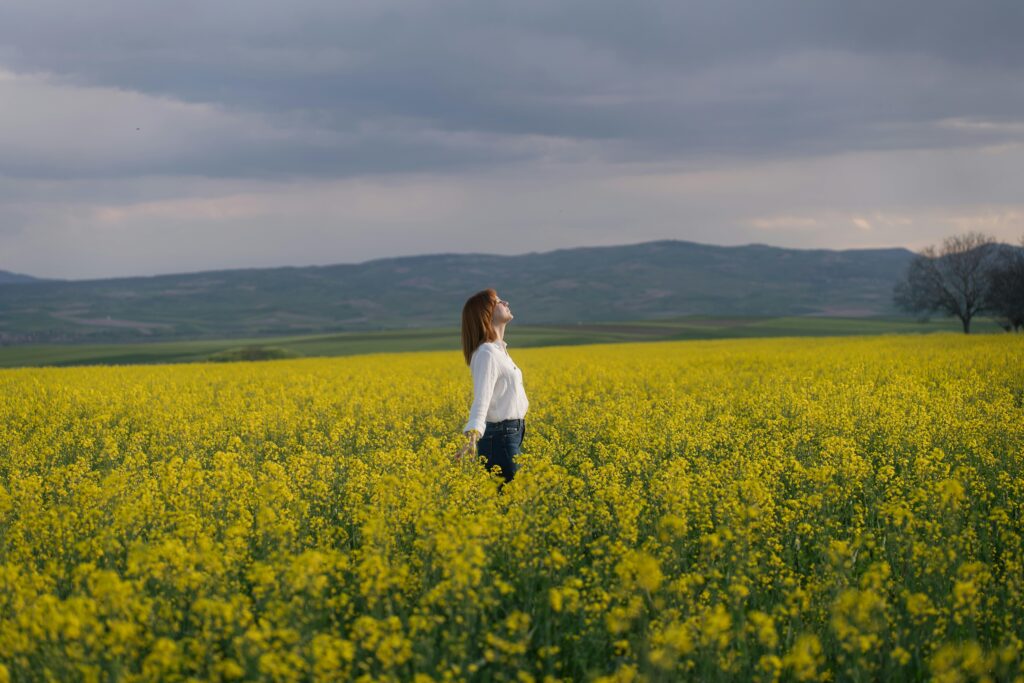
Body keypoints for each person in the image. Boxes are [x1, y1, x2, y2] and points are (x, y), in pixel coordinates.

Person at [454, 289, 529, 488]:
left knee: (508, 500)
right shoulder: (487, 353)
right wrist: (473, 434)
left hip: (510, 433)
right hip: (500, 436)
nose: (506, 302)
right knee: (509, 500)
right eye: (497, 301)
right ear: (486, 313)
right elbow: (482, 398)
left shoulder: (499, 351)